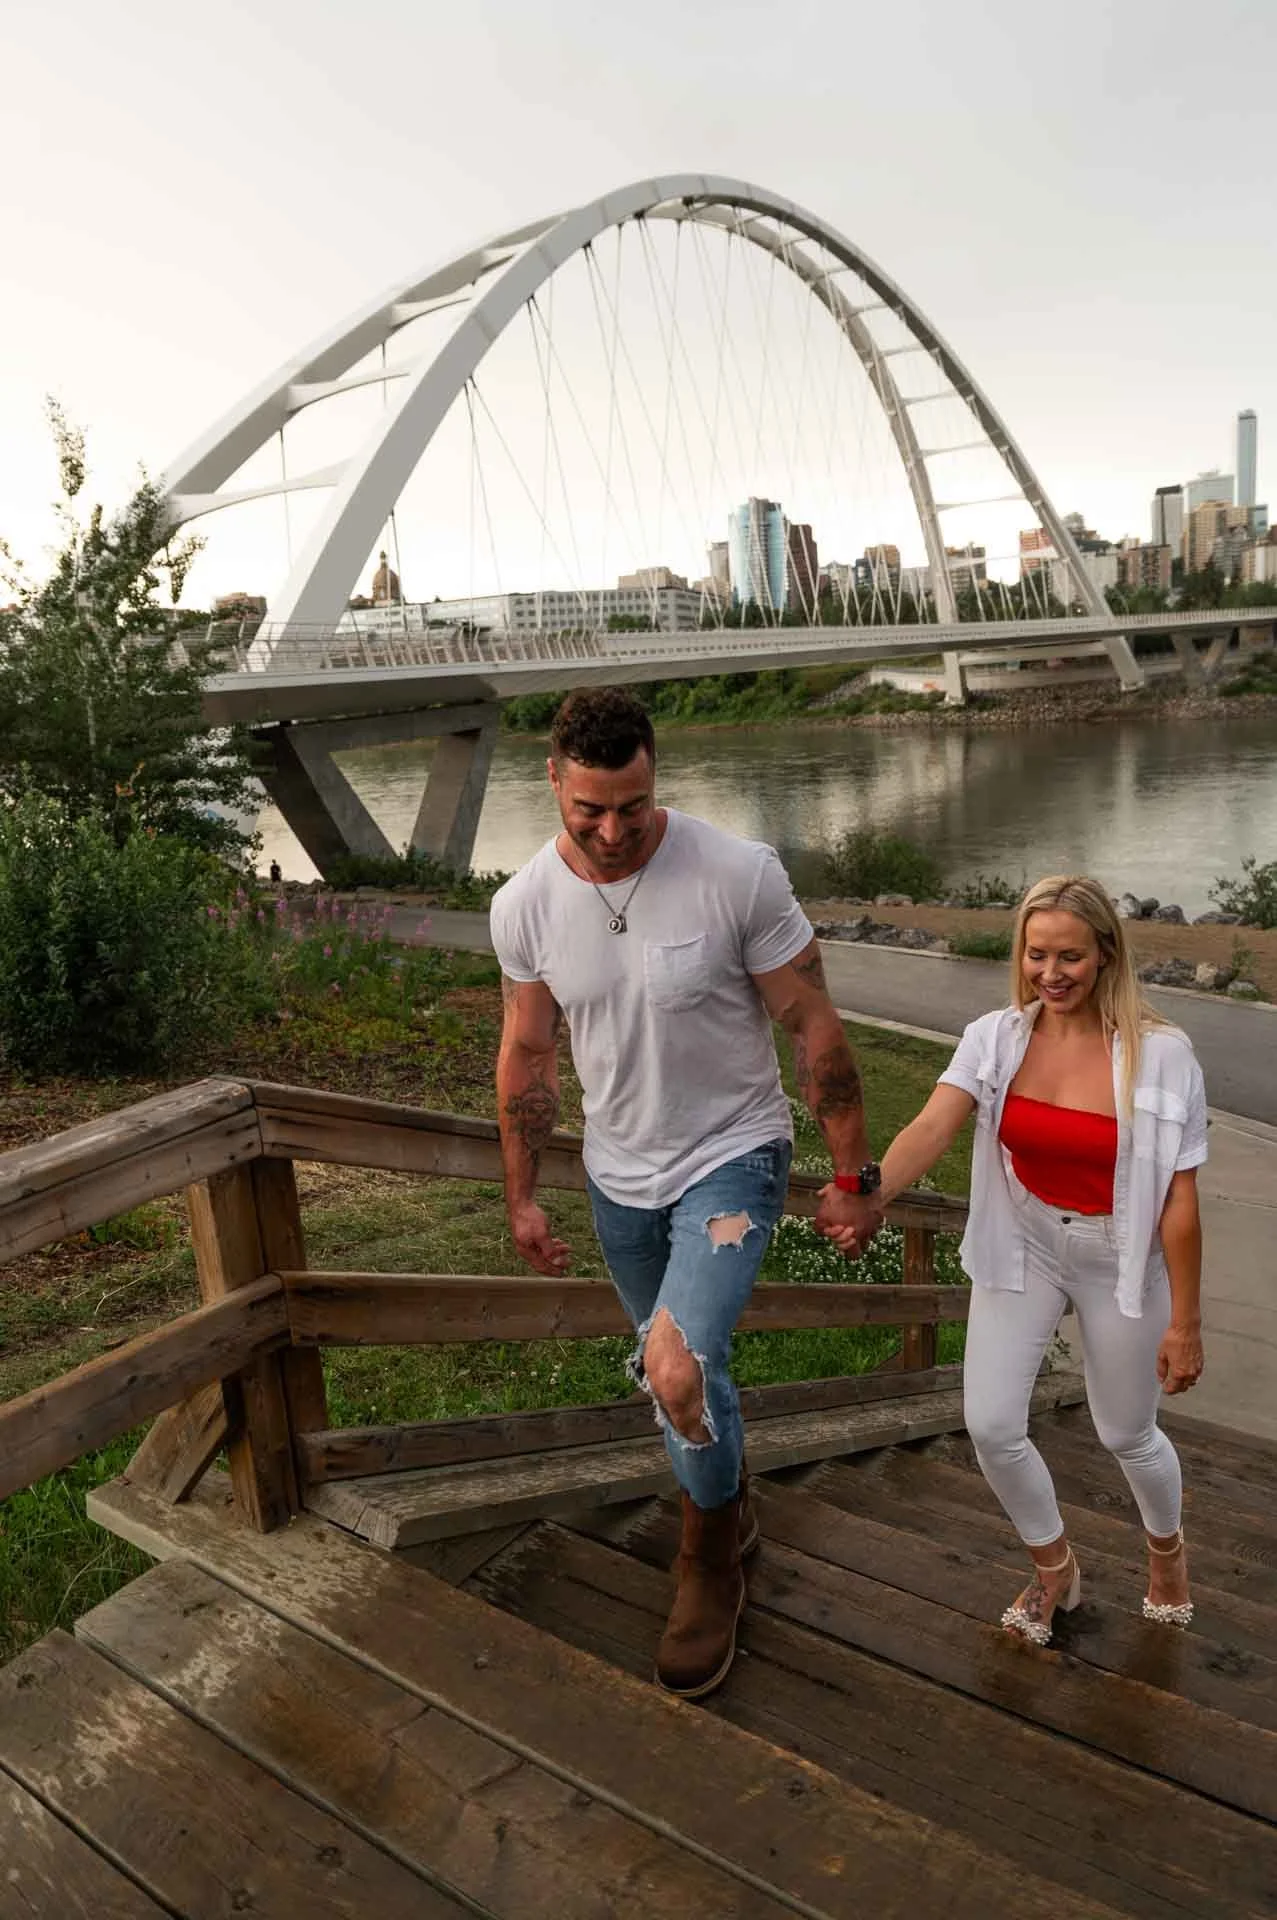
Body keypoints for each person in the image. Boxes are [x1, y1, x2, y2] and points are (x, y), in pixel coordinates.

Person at [489, 687, 882, 1698]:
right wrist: (523, 1197)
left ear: (654, 772)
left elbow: (813, 1027)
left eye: (632, 804)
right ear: (554, 785)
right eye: (589, 811)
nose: (614, 831)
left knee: (672, 1369)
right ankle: (730, 1499)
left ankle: (705, 1557)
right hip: (617, 1181)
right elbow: (528, 1055)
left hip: (731, 1162)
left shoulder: (735, 874)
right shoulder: (523, 905)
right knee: (692, 1371)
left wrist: (849, 1175)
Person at [833, 874, 1206, 1645]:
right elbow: (935, 1124)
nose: (1050, 973)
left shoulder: (1162, 1055)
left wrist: (1188, 1323)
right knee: (991, 1423)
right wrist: (872, 1195)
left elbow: (1178, 1200)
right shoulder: (996, 1036)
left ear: (1104, 954)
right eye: (1036, 955)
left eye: (1069, 956)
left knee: (1125, 1432)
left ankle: (1166, 1555)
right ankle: (1054, 1570)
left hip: (1119, 1257)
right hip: (1027, 1240)